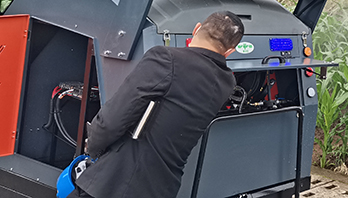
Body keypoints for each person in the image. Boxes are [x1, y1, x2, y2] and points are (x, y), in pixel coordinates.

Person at [68, 11, 243, 198]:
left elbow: (114, 117)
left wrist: (92, 146)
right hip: (163, 187)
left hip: (118, 182)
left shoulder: (166, 58)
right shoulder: (227, 83)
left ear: (196, 29)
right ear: (229, 51)